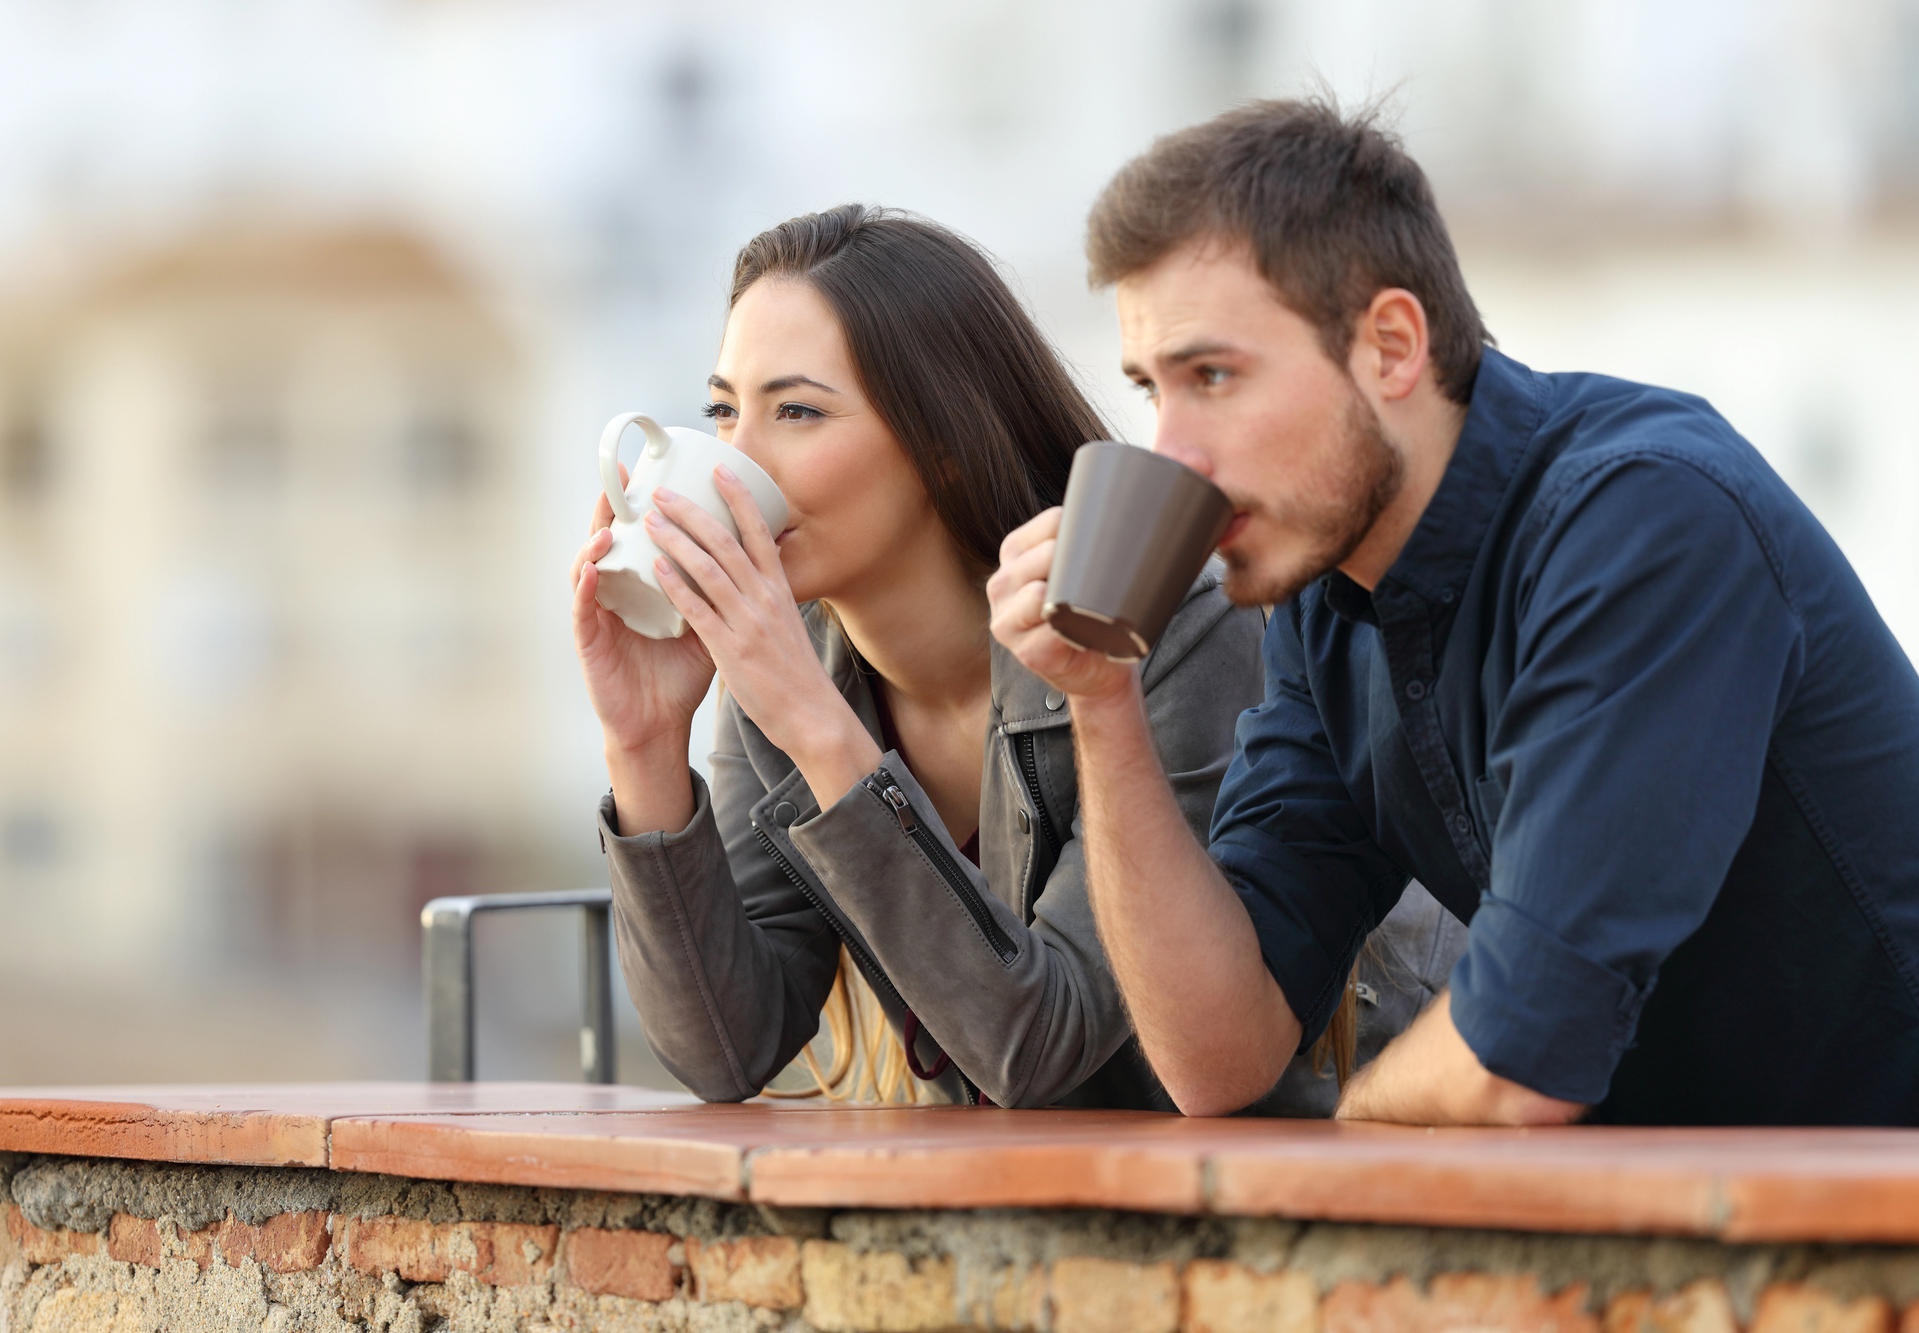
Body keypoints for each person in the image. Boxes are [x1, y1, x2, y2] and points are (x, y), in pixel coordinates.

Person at [988, 99, 1919, 1126]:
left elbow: (1518, 1052)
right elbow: (1219, 1055)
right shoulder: (1326, 595)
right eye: (1149, 390)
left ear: (1390, 346)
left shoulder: (1645, 521)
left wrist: (1354, 1132)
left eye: (1212, 376)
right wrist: (1101, 701)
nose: (1172, 451)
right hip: (1697, 1238)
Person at [569, 205, 1262, 1108]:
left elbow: (1040, 1046)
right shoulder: (788, 669)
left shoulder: (1157, 630)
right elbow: (726, 1048)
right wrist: (646, 744)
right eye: (724, 411)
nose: (732, 464)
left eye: (797, 411)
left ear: (941, 442)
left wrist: (818, 730)